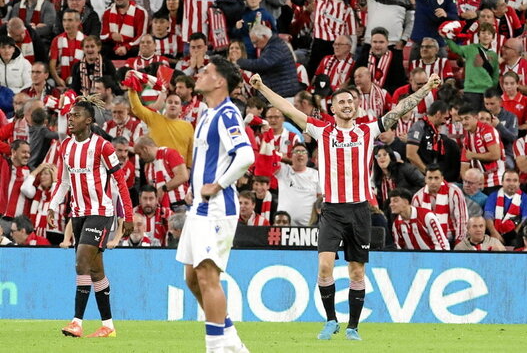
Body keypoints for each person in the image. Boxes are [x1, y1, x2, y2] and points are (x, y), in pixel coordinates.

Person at [250, 69, 441, 341]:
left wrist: (424, 90)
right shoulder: (322, 131)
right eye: (341, 102)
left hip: (360, 210)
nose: (347, 105)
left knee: (356, 270)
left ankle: (353, 327)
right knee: (325, 266)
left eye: (351, 101)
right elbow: (287, 108)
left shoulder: (367, 130)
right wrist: (261, 87)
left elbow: (400, 109)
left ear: (357, 105)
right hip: (332, 210)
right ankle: (331, 321)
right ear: (332, 107)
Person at [175, 56, 255, 353]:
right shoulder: (206, 113)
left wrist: (217, 184)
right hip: (199, 207)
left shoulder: (227, 114)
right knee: (192, 279)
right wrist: (195, 188)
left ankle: (216, 347)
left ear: (220, 81)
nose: (200, 73)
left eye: (206, 71)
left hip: (218, 208)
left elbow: (246, 156)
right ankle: (230, 339)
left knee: (209, 277)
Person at [47, 96, 134, 338]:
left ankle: (76, 322)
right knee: (96, 272)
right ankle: (108, 326)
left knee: (81, 263)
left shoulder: (103, 146)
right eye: (69, 115)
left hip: (101, 212)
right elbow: (63, 181)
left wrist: (127, 214)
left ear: (89, 120)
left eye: (75, 115)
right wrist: (52, 206)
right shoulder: (66, 146)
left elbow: (120, 181)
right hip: (78, 214)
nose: (70, 119)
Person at [411, 163, 468, 246]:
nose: (433, 181)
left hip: (452, 239)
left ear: (442, 178)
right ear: (425, 179)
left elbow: (462, 219)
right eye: (430, 178)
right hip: (428, 241)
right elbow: (416, 223)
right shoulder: (417, 197)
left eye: (436, 178)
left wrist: (459, 243)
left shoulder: (454, 192)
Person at [134, 136, 190, 212]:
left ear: (145, 149)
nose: (140, 158)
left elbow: (183, 176)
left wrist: (163, 188)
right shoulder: (147, 166)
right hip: (162, 209)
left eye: (139, 154)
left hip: (180, 205)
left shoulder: (169, 153)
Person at [275, 142, 321, 226]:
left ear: (308, 157)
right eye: (297, 151)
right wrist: (283, 157)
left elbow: (320, 200)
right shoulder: (283, 170)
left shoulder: (316, 174)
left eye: (303, 151)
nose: (300, 154)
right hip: (284, 224)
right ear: (291, 156)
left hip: (308, 225)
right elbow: (269, 160)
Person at [483, 169, 527, 246]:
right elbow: (488, 215)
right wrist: (494, 233)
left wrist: (511, 236)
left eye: (515, 180)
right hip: (494, 233)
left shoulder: (525, 198)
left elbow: (524, 219)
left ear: (519, 183)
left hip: (515, 234)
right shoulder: (493, 196)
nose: (511, 183)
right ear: (502, 182)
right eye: (508, 180)